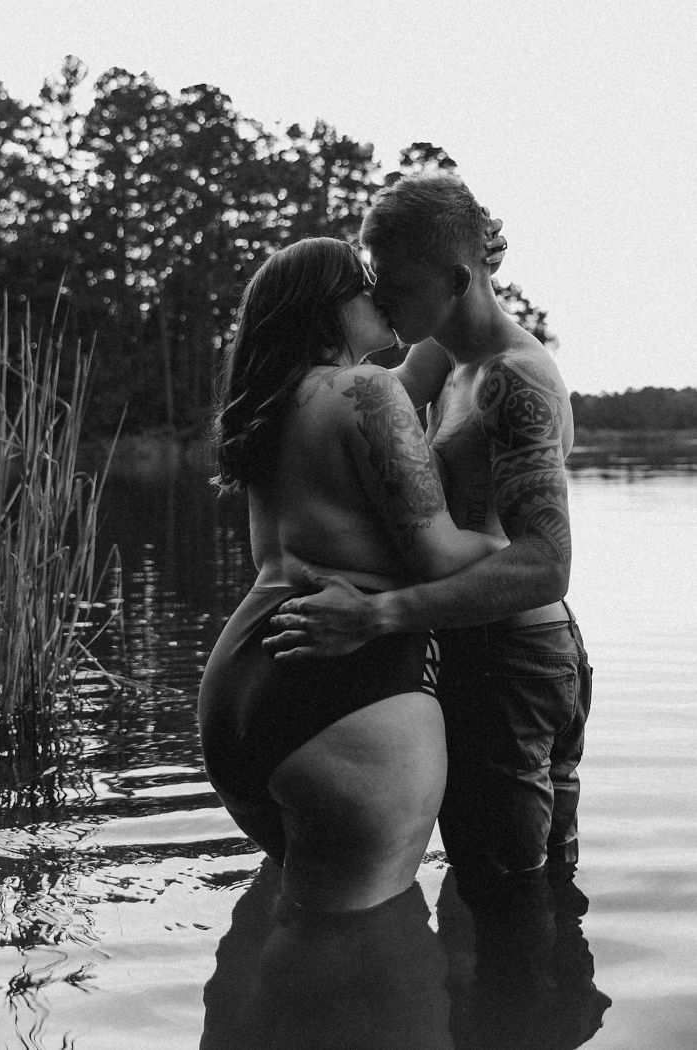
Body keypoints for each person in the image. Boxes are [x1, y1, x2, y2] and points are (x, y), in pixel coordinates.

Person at [263, 172, 594, 995]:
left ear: (456, 279)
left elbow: (545, 563)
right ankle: (547, 1015)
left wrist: (379, 616)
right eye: (373, 279)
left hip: (516, 665)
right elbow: (356, 403)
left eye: (398, 284)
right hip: (495, 659)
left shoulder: (514, 380)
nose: (383, 298)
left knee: (507, 892)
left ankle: (526, 1026)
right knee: (526, 881)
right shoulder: (443, 355)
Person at [197, 236, 504, 920]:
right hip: (347, 693)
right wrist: (518, 546)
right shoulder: (366, 391)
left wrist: (463, 279)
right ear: (326, 307)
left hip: (239, 690)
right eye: (364, 283)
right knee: (359, 953)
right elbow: (440, 556)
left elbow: (417, 369)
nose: (380, 294)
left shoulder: (275, 402)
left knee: (295, 925)